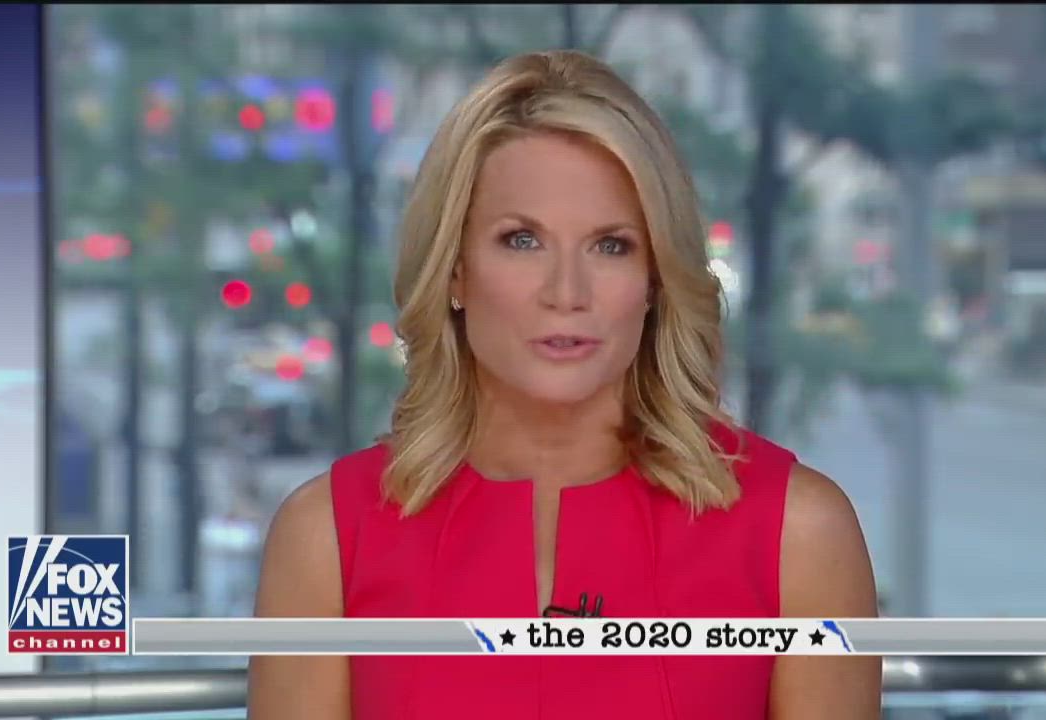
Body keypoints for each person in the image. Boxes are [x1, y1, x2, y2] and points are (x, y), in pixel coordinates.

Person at [249, 49, 880, 719]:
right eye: (522, 240)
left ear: (654, 279)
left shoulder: (797, 536)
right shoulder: (326, 539)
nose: (566, 292)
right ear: (455, 270)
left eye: (611, 245)